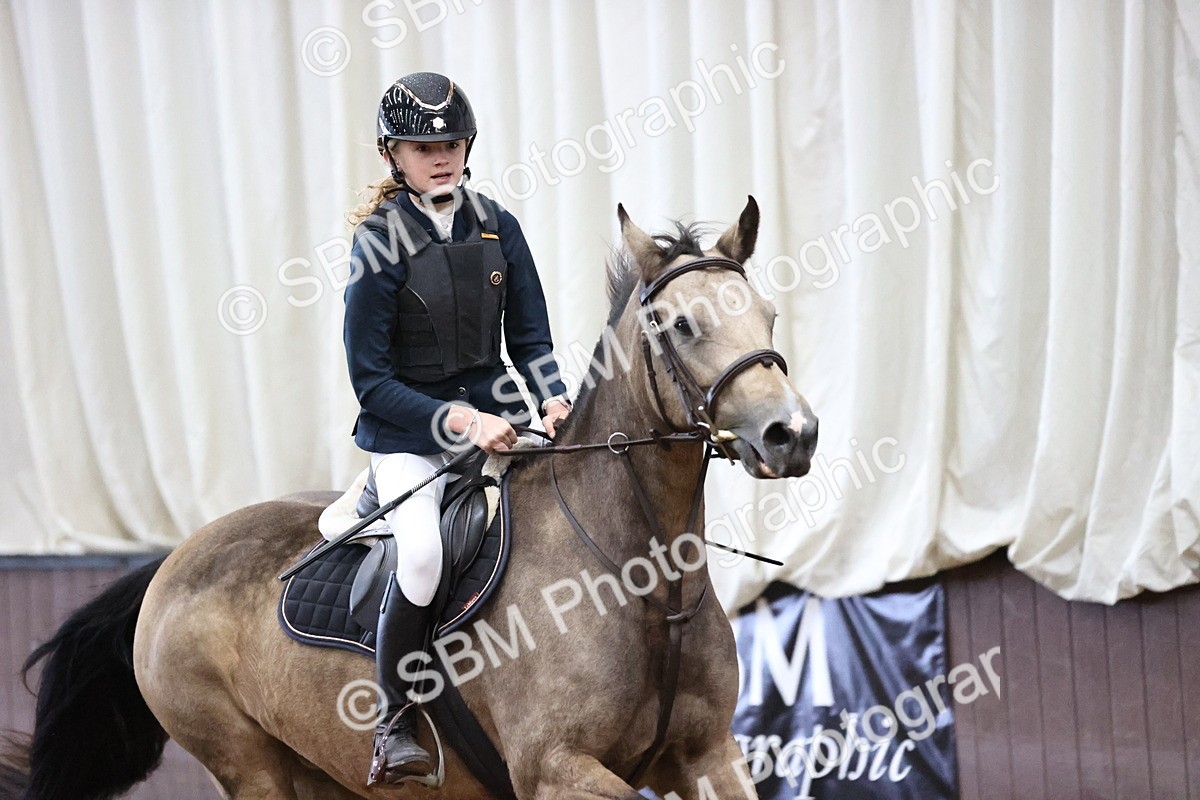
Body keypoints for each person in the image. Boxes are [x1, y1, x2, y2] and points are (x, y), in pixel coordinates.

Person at [342, 71, 571, 785]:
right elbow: (370, 380)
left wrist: (554, 402)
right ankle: (392, 722)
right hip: (411, 440)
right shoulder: (378, 244)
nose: (439, 156)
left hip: (497, 425)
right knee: (422, 558)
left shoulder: (500, 225)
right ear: (393, 156)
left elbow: (530, 340)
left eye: (451, 142)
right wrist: (460, 419)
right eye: (421, 145)